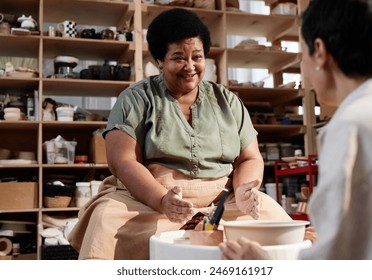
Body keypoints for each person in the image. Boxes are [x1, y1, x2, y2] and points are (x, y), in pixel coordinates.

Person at [67, 8, 291, 260]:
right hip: (150, 201)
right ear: (159, 61)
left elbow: (250, 158)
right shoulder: (135, 98)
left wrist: (243, 191)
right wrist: (162, 200)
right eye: (178, 58)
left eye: (197, 56)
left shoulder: (228, 100)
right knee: (106, 221)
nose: (190, 66)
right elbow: (122, 161)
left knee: (276, 221)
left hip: (224, 203)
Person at [220, 0, 372, 260]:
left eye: (303, 55)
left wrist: (265, 264)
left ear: (320, 51)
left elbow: (340, 260)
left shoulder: (352, 126)